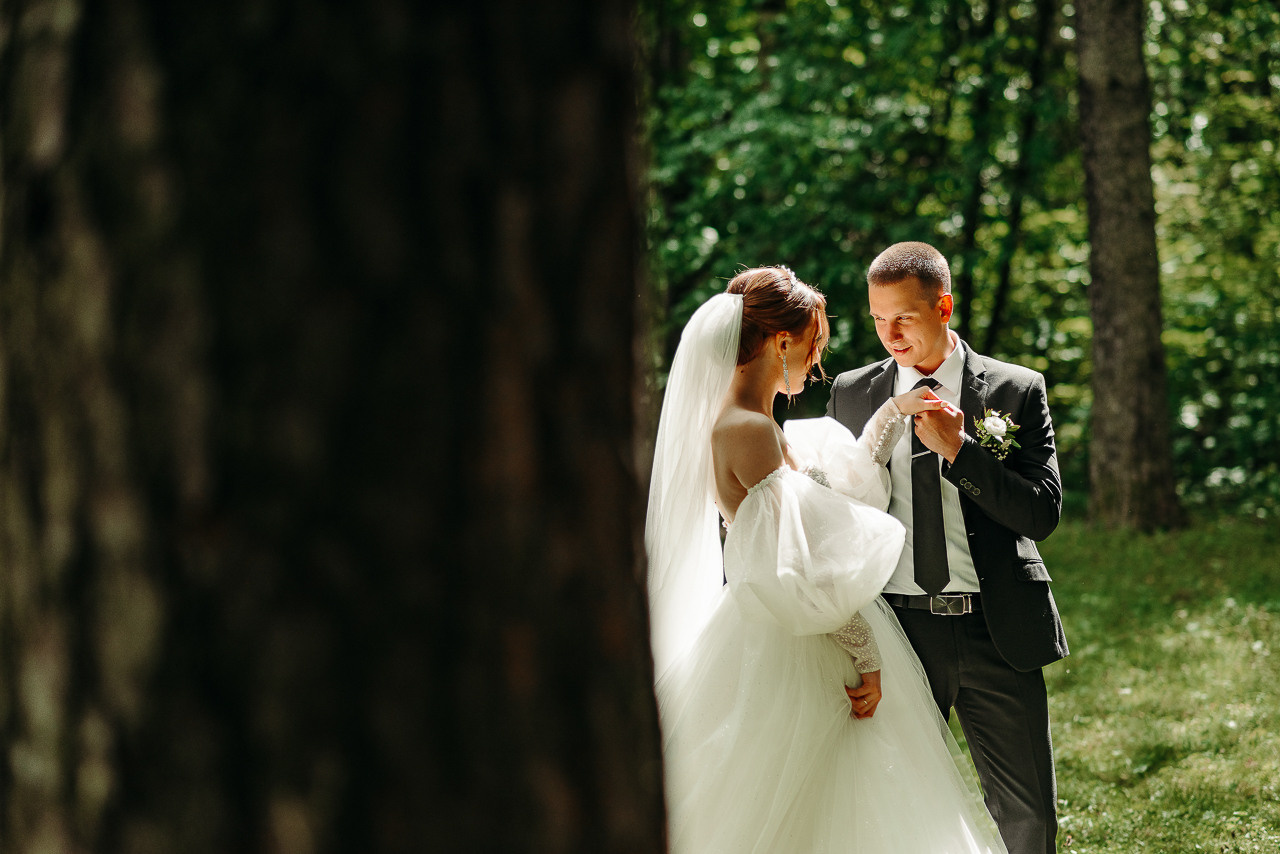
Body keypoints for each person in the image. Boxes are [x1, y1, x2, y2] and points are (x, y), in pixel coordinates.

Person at [646, 265, 1008, 853]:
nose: (816, 361)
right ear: (779, 340)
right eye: (813, 343)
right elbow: (792, 568)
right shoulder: (749, 431)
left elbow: (832, 498)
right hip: (796, 640)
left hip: (782, 625)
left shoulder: (753, 423)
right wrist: (862, 648)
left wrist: (893, 413)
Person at [826, 242, 1067, 854]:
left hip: (996, 626)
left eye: (903, 316)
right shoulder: (853, 396)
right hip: (899, 632)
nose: (890, 333)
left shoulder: (1015, 390)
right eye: (878, 319)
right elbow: (835, 514)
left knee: (1030, 817)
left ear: (944, 306)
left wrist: (963, 453)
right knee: (895, 814)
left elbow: (1040, 514)